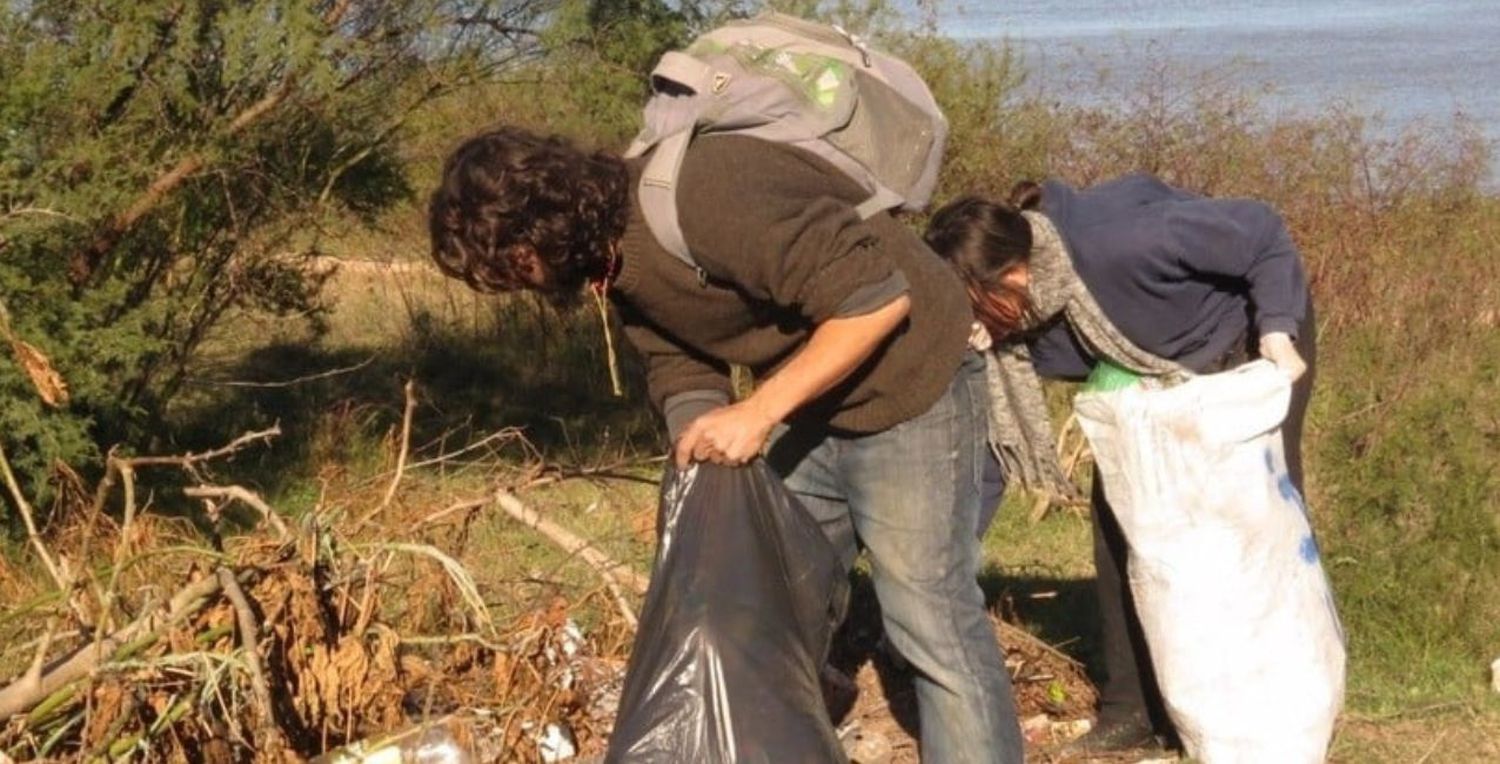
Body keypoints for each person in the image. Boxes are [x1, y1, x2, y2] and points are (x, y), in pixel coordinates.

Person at [427, 126, 1026, 763]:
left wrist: (759, 413)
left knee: (928, 618)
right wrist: (700, 455)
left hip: (911, 381)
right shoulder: (610, 260)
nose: (518, 282)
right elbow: (679, 365)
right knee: (768, 595)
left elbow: (875, 300)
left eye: (511, 261)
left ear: (539, 217)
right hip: (814, 394)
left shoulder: (705, 193)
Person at [923, 173, 1315, 755]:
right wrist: (942, 564)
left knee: (1249, 533)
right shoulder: (1010, 326)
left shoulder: (1124, 241)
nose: (975, 327)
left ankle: (1279, 701)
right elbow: (990, 454)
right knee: (1120, 529)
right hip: (1146, 375)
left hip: (1248, 349)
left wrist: (1279, 331)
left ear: (1011, 275)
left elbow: (1262, 232)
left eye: (977, 308)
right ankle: (1135, 711)